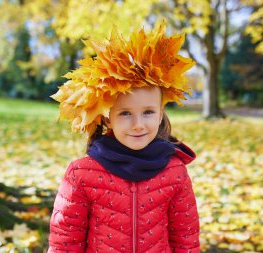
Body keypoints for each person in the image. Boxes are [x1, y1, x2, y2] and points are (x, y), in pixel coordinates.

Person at [48, 20, 200, 253]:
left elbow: (185, 237)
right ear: (107, 117)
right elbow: (66, 240)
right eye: (125, 113)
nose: (138, 125)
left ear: (160, 113)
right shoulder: (81, 174)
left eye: (148, 112)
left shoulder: (175, 171)